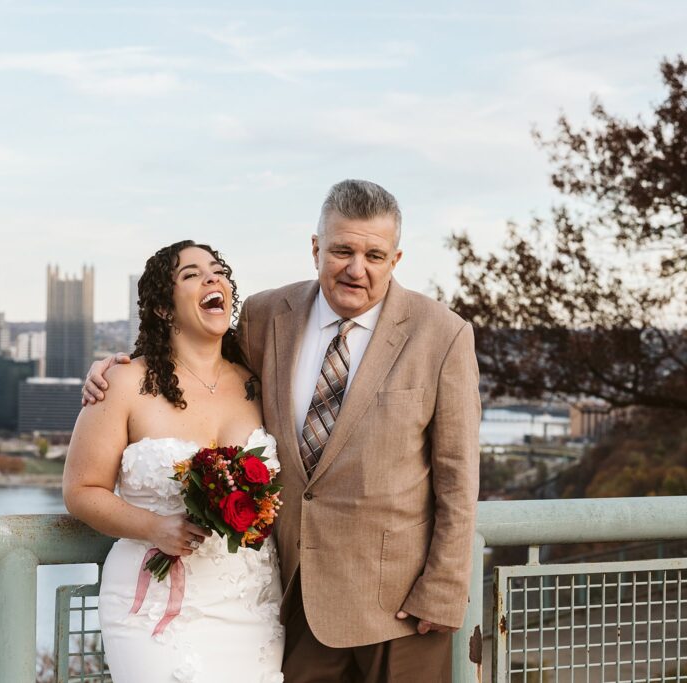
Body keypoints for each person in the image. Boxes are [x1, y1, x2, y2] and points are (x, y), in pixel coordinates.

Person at [84, 180, 481, 683]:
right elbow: (196, 365)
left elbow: (458, 477)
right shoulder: (265, 315)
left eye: (374, 255)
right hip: (291, 599)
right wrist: (114, 367)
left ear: (395, 259)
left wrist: (444, 588)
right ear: (316, 248)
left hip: (400, 606)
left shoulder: (442, 334)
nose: (356, 268)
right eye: (342, 250)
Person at [63, 240, 285, 683]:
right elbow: (80, 492)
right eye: (191, 274)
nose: (211, 278)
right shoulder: (122, 382)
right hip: (153, 607)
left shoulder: (259, 384)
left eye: (218, 270)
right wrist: (154, 527)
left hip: (250, 603)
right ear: (164, 309)